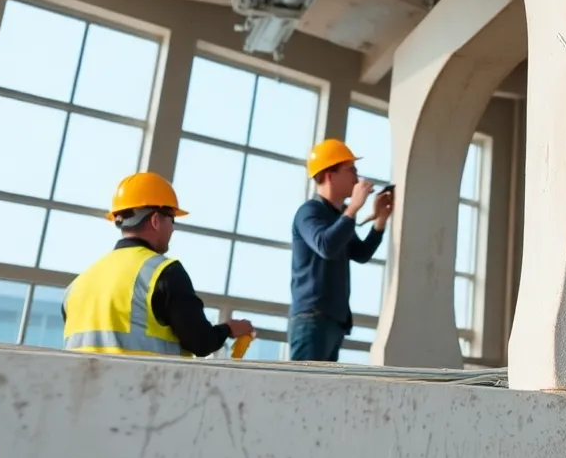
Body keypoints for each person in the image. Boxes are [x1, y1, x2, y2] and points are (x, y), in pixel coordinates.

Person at [62, 171, 254, 357]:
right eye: (172, 219)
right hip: (145, 388)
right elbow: (200, 342)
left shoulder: (77, 285)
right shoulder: (163, 273)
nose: (173, 228)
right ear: (155, 220)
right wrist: (229, 329)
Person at [288, 138, 393, 362]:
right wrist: (353, 208)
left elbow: (360, 253)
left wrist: (380, 222)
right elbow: (326, 245)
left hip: (332, 321)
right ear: (329, 175)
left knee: (322, 394)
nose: (357, 177)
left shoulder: (338, 216)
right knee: (305, 390)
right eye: (351, 170)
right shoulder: (309, 212)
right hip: (312, 320)